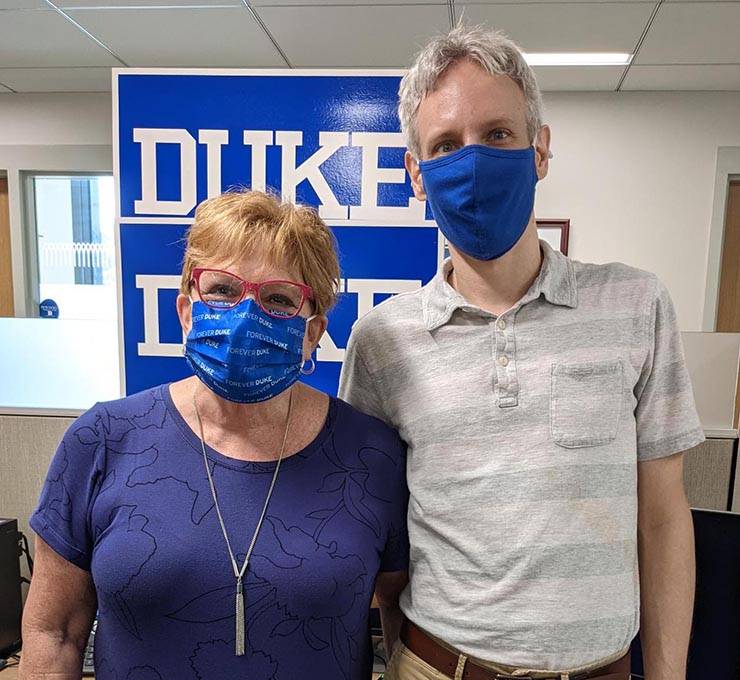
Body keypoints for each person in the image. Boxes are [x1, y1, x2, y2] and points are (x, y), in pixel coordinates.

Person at [339, 25, 704, 680]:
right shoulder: (382, 340)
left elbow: (665, 518)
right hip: (434, 667)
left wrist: (670, 673)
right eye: (446, 145)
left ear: (540, 149)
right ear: (416, 175)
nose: (472, 160)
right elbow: (383, 536)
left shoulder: (637, 305)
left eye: (497, 134)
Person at [21, 190, 409, 680]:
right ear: (187, 311)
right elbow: (53, 632)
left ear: (313, 333)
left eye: (278, 299)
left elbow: (400, 620)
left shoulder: (372, 454)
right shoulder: (102, 441)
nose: (247, 315)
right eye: (223, 290)